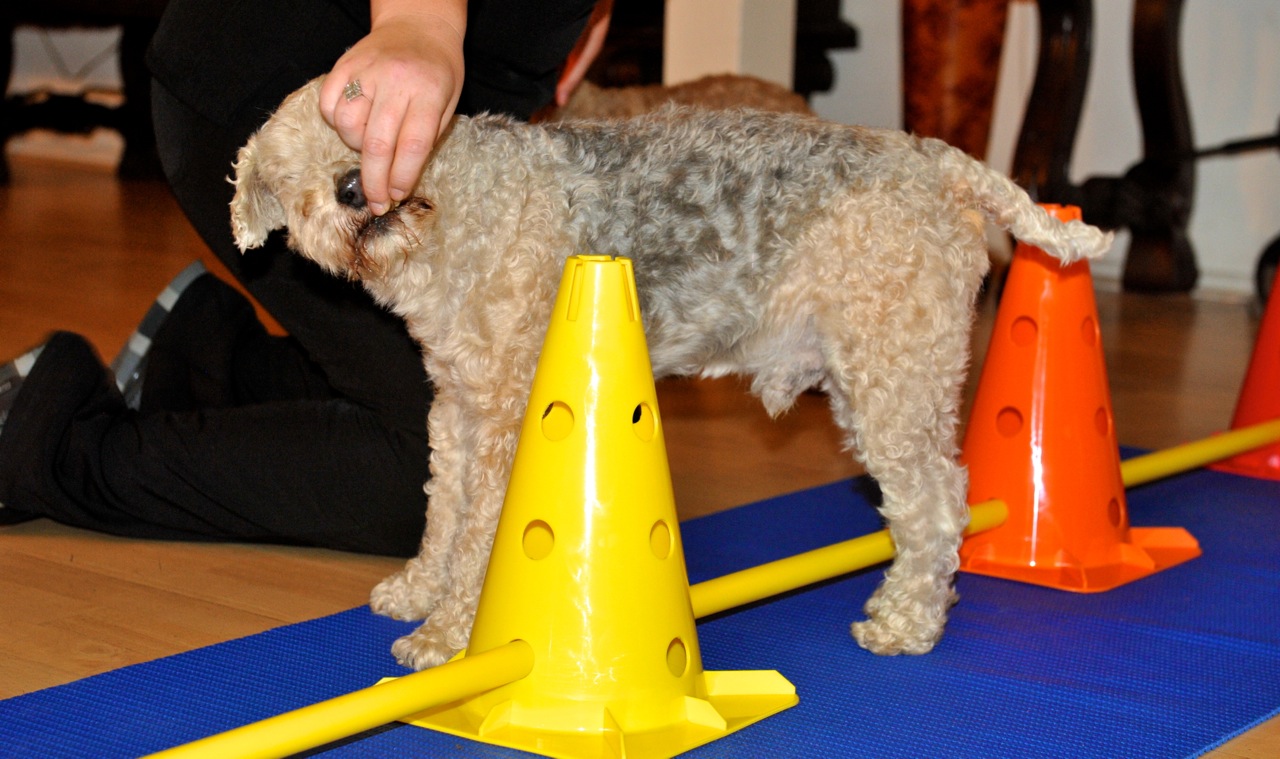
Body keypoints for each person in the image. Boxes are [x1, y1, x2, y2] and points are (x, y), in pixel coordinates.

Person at [0, 0, 610, 555]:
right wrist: (419, 22)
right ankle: (48, 441)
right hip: (275, 83)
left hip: (429, 130)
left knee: (507, 403)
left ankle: (202, 360)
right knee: (451, 476)